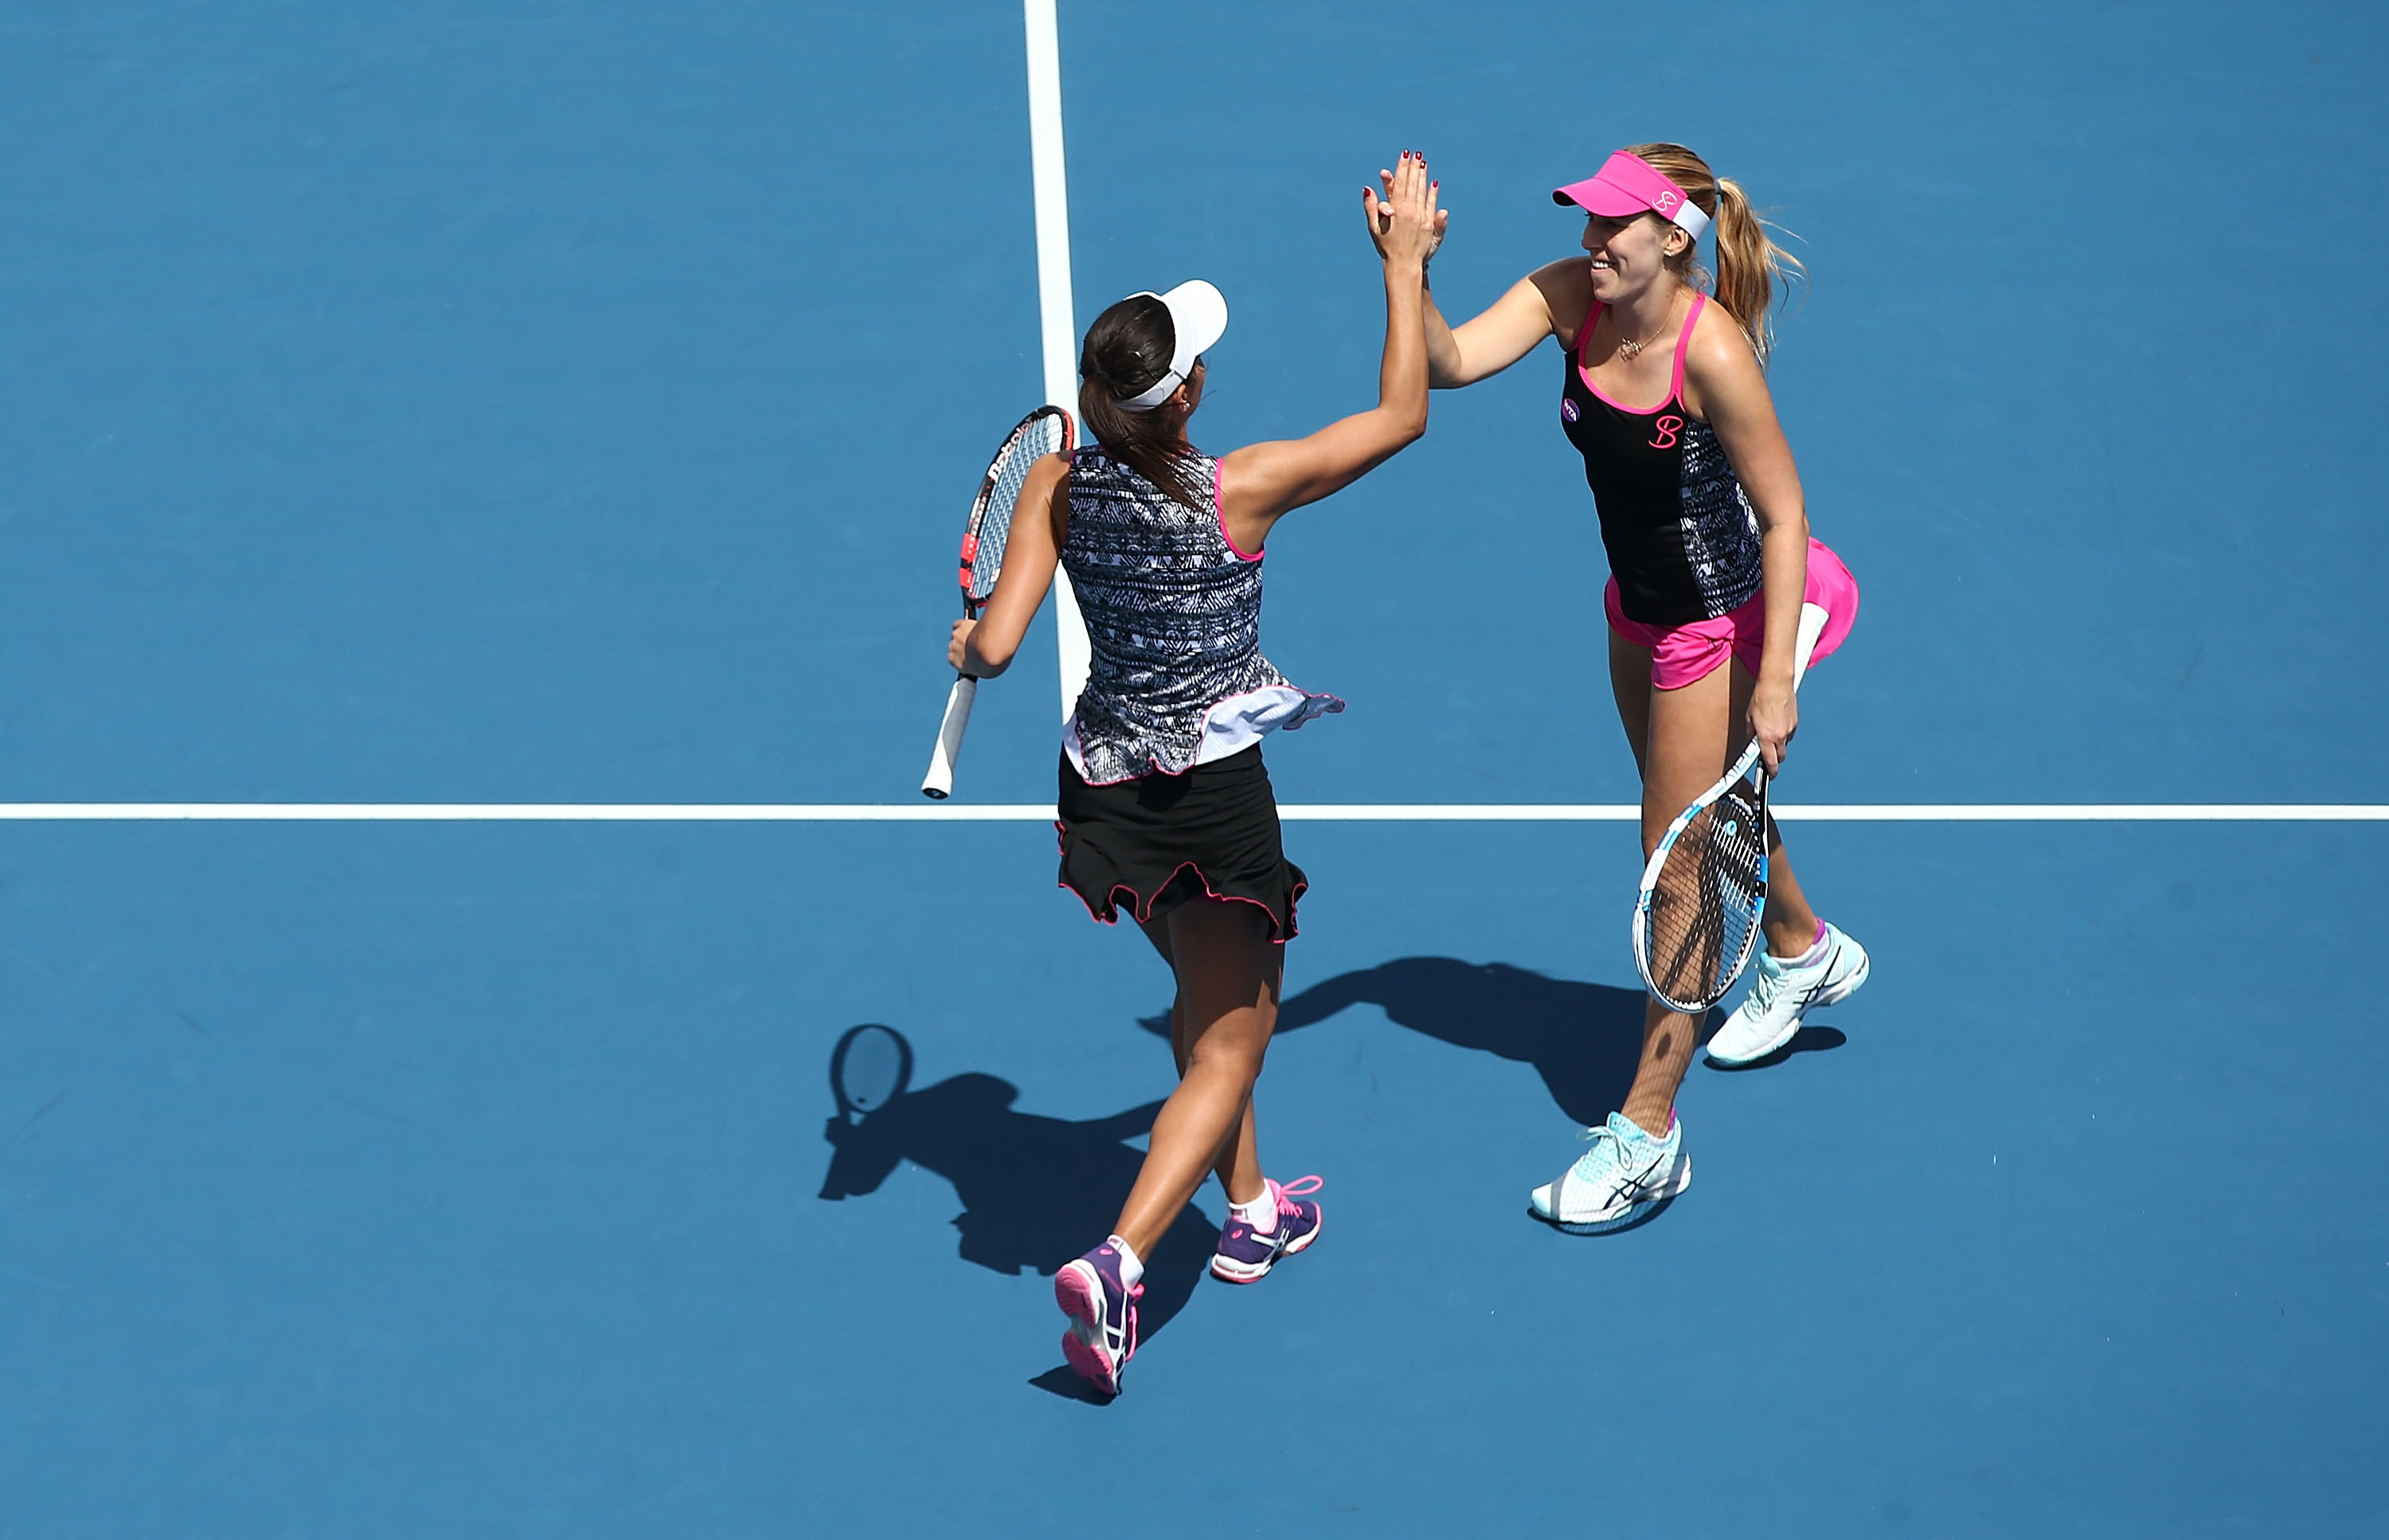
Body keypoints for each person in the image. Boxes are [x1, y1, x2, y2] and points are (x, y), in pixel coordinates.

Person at [946, 151, 1442, 1391]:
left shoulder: (1058, 484)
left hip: (1105, 786)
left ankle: (1256, 1203)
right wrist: (1404, 265)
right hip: (1210, 797)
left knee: (1202, 1000)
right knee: (1238, 1036)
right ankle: (1119, 1262)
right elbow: (1402, 416)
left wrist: (968, 640)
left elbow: (998, 647)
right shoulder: (1242, 488)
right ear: (1187, 393)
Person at [1413, 143, 1869, 1230]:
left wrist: (1774, 691)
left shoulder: (1709, 352)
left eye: (1612, 225)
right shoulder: (1573, 297)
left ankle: (1649, 1129)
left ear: (1675, 238)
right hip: (1636, 607)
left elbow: (1787, 511)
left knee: (1681, 868)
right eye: (1586, 221)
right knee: (1703, 817)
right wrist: (1409, 270)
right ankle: (1803, 949)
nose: (1589, 242)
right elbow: (1447, 362)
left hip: (1713, 626)